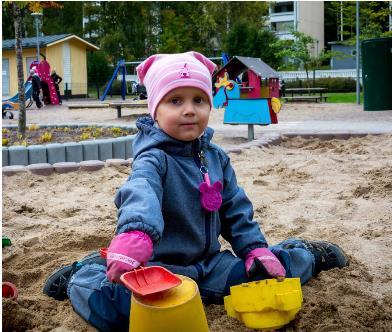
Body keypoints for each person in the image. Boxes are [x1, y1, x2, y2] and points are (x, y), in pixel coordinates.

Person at [43, 52, 349, 331]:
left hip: (211, 266)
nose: (189, 110)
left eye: (198, 100)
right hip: (159, 272)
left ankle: (305, 252)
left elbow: (235, 210)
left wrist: (254, 248)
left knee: (272, 273)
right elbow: (140, 192)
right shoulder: (153, 158)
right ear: (155, 111)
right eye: (175, 101)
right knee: (121, 312)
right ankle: (80, 275)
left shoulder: (215, 157)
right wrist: (136, 234)